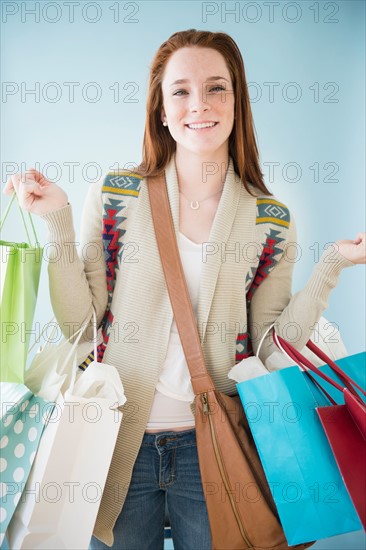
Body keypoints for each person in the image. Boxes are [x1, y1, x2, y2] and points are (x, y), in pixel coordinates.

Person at [4, 29, 365, 550]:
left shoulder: (270, 219)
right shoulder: (115, 195)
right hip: (112, 443)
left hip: (213, 450)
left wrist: (333, 263)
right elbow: (79, 323)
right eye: (181, 91)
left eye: (217, 88)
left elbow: (272, 345)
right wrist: (57, 220)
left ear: (237, 101)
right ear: (161, 109)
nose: (200, 105)